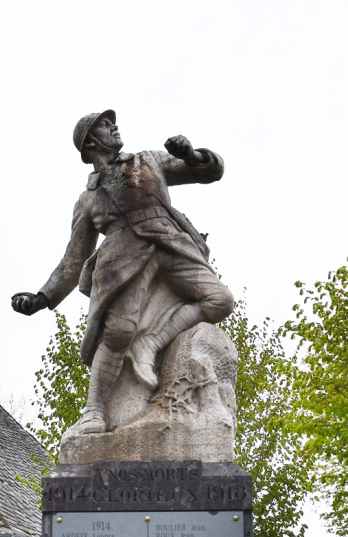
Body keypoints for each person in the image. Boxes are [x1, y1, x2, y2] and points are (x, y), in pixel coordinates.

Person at [12, 111, 234, 435]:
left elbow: (208, 172)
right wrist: (42, 298)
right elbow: (74, 259)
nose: (114, 126)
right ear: (90, 141)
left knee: (220, 300)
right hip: (123, 259)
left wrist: (190, 153)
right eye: (105, 124)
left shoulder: (148, 161)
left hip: (170, 244)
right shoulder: (87, 200)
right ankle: (94, 411)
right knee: (118, 331)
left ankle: (153, 343)